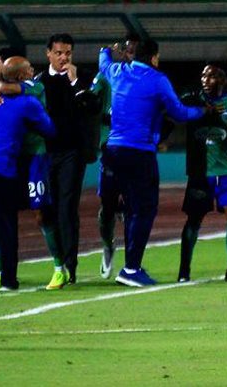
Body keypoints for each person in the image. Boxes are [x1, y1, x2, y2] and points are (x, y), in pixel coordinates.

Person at [98, 39, 211, 287]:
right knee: (144, 210)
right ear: (154, 57)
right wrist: (203, 111)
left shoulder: (116, 71)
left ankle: (129, 265)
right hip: (139, 152)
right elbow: (179, 112)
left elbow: (103, 61)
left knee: (126, 209)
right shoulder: (157, 79)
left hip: (113, 151)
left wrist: (106, 50)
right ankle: (131, 268)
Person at [0, 56, 55, 291]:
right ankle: (8, 279)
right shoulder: (28, 102)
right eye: (28, 69)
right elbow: (49, 129)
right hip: (0, 167)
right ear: (20, 77)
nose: (32, 71)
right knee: (6, 224)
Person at [178, 62, 227, 282]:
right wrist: (204, 110)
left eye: (211, 76)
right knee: (194, 219)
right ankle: (184, 272)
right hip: (200, 171)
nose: (205, 80)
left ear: (222, 80)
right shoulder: (193, 100)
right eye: (203, 75)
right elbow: (178, 106)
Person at [39, 33, 90, 284]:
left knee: (67, 208)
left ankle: (70, 267)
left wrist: (75, 83)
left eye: (67, 53)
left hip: (72, 152)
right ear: (48, 54)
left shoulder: (82, 79)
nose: (63, 57)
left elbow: (90, 108)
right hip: (46, 153)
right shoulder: (38, 83)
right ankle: (58, 262)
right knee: (48, 209)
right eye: (58, 53)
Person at [91, 33, 140, 279]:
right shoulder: (107, 76)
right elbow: (90, 102)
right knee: (107, 206)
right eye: (127, 50)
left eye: (134, 51)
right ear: (120, 52)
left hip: (136, 149)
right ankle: (108, 244)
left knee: (135, 206)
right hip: (110, 149)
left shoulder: (145, 78)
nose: (130, 55)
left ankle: (133, 262)